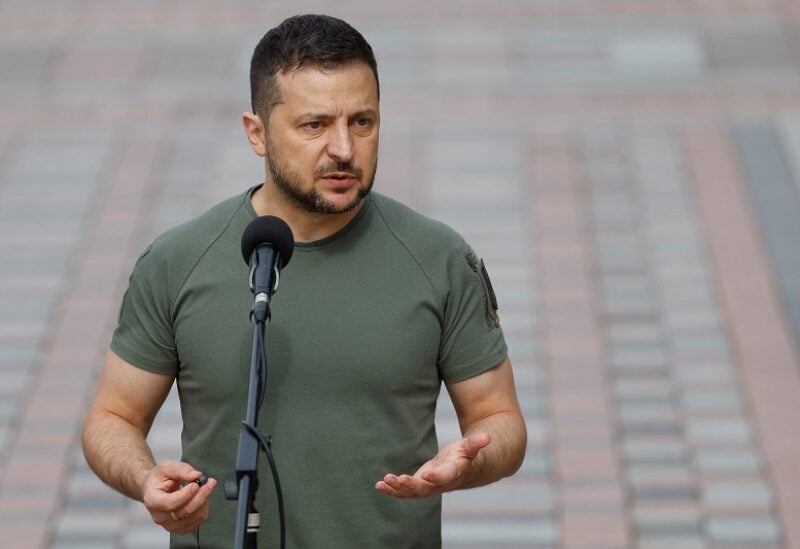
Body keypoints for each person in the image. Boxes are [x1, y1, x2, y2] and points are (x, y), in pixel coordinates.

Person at [82, 14, 527, 548]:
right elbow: (112, 417)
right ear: (257, 133)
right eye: (314, 125)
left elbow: (499, 419)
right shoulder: (179, 262)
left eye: (362, 122)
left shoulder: (440, 260)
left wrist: (468, 466)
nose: (344, 148)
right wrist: (144, 479)